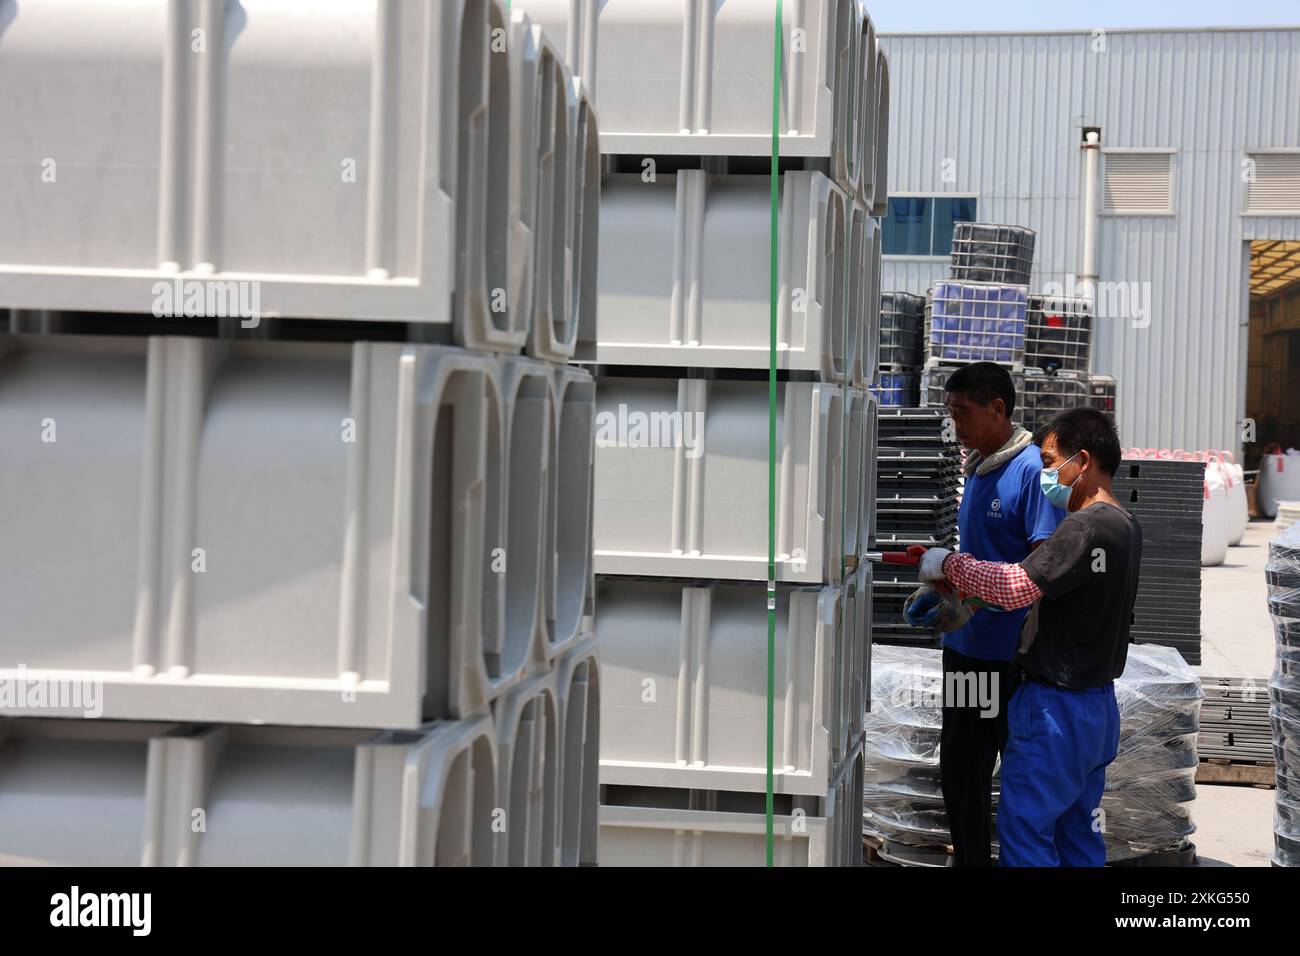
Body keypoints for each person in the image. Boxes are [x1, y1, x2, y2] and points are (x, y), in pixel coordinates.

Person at [917, 407, 1142, 867]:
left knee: (1026, 830)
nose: (1044, 474)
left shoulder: (1080, 525)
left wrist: (947, 563)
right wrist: (967, 597)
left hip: (1048, 703)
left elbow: (1017, 585)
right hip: (1093, 706)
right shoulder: (1125, 525)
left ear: (1081, 461)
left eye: (1049, 461)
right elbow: (1049, 593)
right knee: (1076, 830)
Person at [907, 362, 1064, 866]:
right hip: (965, 652)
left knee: (1019, 772)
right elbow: (976, 555)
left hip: (1009, 660)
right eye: (950, 413)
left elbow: (1039, 571)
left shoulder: (1032, 474)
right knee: (962, 770)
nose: (956, 424)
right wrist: (949, 591)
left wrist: (971, 590)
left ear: (998, 408)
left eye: (963, 412)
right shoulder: (978, 467)